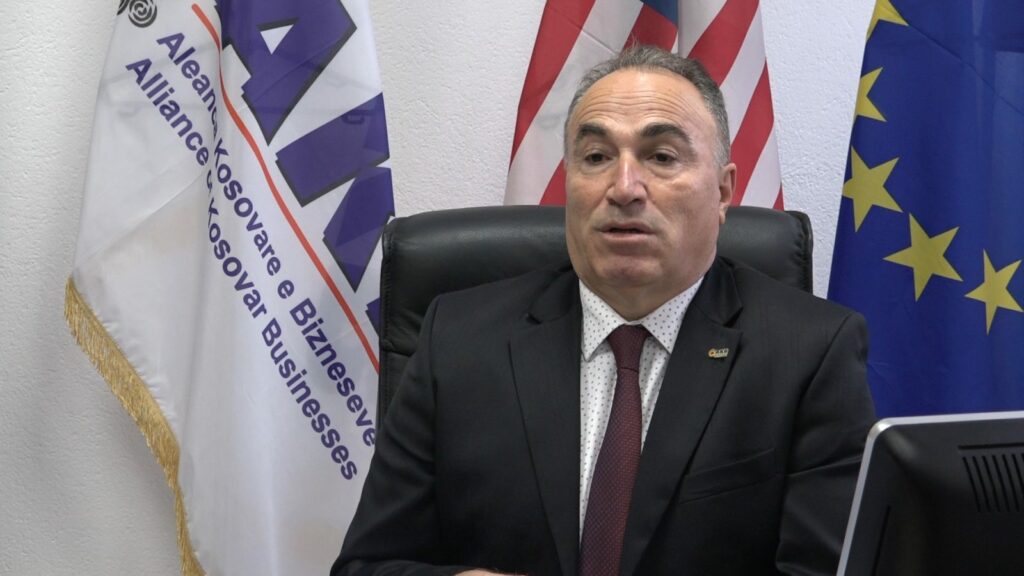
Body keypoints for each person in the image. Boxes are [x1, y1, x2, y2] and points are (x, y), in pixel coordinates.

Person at [332, 45, 875, 576]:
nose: (624, 187)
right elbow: (364, 565)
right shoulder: (458, 340)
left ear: (723, 191)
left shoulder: (809, 353)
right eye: (596, 157)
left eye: (661, 157)